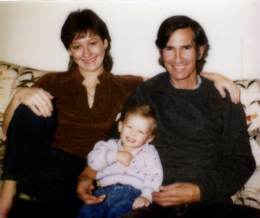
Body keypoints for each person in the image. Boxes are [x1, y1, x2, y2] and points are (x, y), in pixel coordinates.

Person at [0, 8, 240, 218]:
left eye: (92, 42)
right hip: (53, 165)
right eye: (77, 46)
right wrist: (19, 97)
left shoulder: (130, 85)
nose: (86, 52)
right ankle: (7, 195)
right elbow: (13, 132)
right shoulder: (52, 81)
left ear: (105, 43)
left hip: (101, 168)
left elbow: (174, 75)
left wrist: (211, 76)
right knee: (31, 106)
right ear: (69, 51)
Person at [118, 15, 260, 218]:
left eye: (186, 48)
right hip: (154, 204)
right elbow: (116, 138)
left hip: (210, 203)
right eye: (169, 49)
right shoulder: (147, 92)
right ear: (161, 52)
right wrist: (89, 173)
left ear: (200, 50)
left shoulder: (223, 97)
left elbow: (241, 160)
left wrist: (198, 190)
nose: (177, 58)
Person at [77, 104, 163, 218]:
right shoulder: (107, 146)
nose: (133, 134)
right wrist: (114, 155)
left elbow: (155, 175)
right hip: (101, 193)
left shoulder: (149, 152)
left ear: (149, 138)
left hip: (130, 194)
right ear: (120, 126)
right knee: (88, 213)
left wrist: (146, 196)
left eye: (140, 132)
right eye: (129, 127)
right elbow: (93, 161)